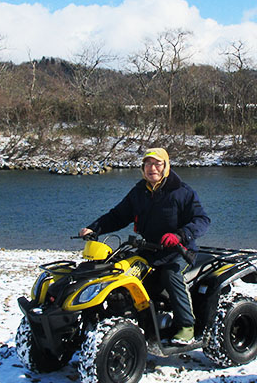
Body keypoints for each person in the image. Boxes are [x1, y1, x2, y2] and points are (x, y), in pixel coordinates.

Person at [79, 147, 210, 342]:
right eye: (148, 164)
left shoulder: (182, 192)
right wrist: (94, 229)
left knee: (171, 275)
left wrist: (180, 235)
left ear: (166, 166)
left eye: (157, 164)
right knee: (120, 271)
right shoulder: (139, 191)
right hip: (148, 249)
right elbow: (118, 216)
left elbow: (202, 220)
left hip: (178, 251)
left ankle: (186, 326)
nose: (152, 168)